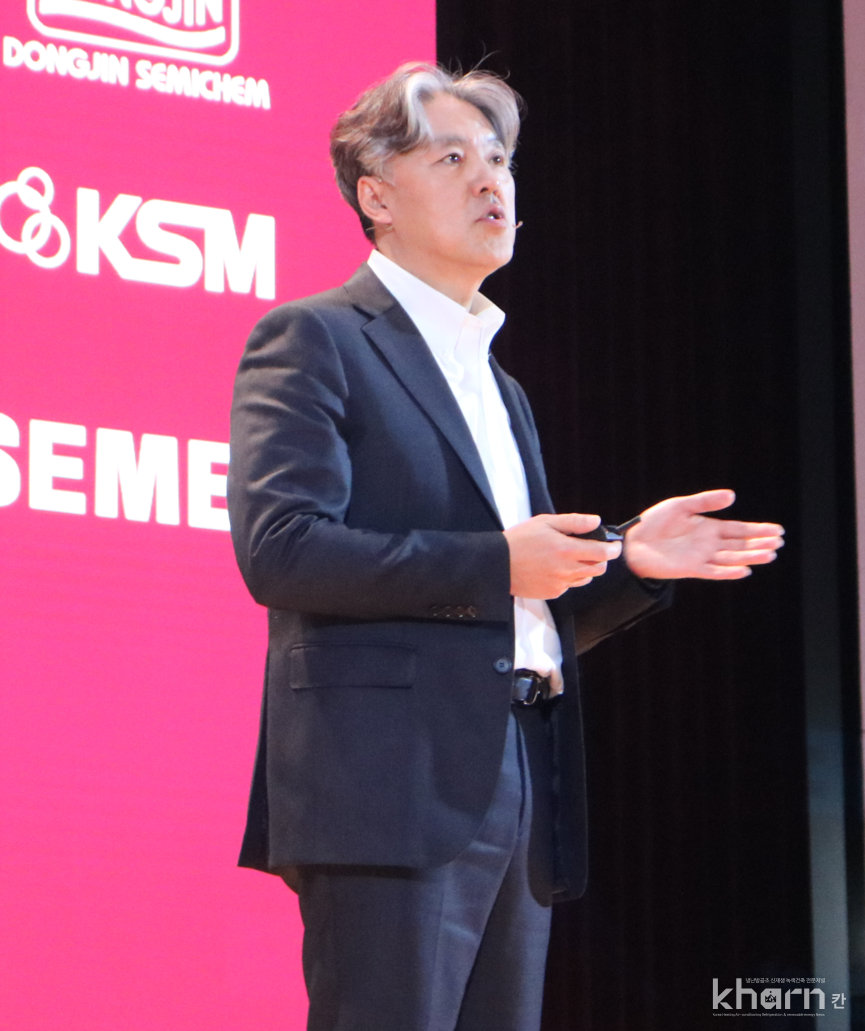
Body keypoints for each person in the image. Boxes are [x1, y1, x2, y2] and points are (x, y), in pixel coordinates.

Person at [227, 62, 784, 1031]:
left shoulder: (501, 384)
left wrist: (625, 558)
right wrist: (498, 562)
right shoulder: (316, 338)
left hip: (519, 777)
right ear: (377, 197)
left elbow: (519, 601)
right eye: (452, 159)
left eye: (499, 160)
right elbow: (282, 550)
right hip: (389, 789)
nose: (492, 181)